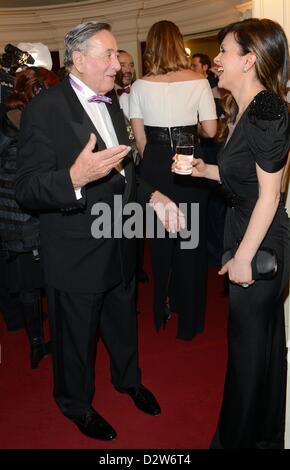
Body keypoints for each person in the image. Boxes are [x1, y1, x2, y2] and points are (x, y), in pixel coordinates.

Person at [15, 21, 184, 441]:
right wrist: (74, 177)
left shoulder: (111, 104)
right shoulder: (45, 108)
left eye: (116, 55)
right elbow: (26, 188)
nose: (117, 65)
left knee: (123, 322)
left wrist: (153, 195)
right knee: (75, 339)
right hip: (74, 252)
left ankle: (128, 381)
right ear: (79, 60)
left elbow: (126, 174)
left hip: (121, 241)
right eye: (108, 56)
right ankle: (75, 403)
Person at [173, 18, 290, 448]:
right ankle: (261, 439)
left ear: (249, 60)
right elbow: (243, 177)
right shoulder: (245, 108)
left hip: (260, 240)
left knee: (246, 357)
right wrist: (205, 169)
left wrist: (243, 255)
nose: (215, 60)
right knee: (259, 351)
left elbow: (269, 197)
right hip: (247, 228)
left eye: (224, 51)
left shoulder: (268, 111)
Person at [130, 20, 217, 340]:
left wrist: (155, 161)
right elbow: (210, 131)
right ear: (180, 44)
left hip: (154, 164)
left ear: (151, 47)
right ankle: (189, 320)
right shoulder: (199, 81)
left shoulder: (139, 86)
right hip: (188, 161)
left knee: (161, 240)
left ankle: (160, 309)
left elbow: (139, 141)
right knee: (191, 240)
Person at [0, 67, 52, 368]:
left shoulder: (13, 118)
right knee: (42, 283)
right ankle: (42, 341)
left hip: (16, 217)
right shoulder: (28, 121)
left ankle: (35, 343)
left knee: (30, 287)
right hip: (27, 215)